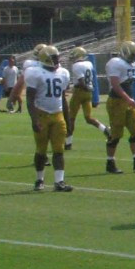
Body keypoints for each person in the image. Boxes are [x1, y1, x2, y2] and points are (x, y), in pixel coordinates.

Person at [26, 45, 73, 192]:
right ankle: (39, 179)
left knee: (59, 150)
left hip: (58, 115)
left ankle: (59, 181)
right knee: (41, 150)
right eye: (54, 57)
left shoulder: (63, 73)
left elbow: (63, 98)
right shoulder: (35, 72)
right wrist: (34, 120)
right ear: (46, 58)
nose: (57, 59)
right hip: (42, 115)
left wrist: (68, 118)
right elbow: (29, 99)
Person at [105, 41, 135, 174]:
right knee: (116, 134)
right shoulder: (115, 62)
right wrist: (128, 99)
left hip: (128, 102)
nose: (133, 57)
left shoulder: (132, 63)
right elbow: (115, 84)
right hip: (116, 102)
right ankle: (110, 163)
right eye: (131, 54)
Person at [63, 46, 111, 150]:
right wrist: (89, 89)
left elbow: (81, 81)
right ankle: (105, 129)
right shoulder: (89, 63)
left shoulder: (76, 66)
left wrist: (76, 88)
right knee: (88, 118)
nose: (72, 58)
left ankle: (68, 143)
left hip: (79, 92)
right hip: (88, 93)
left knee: (71, 118)